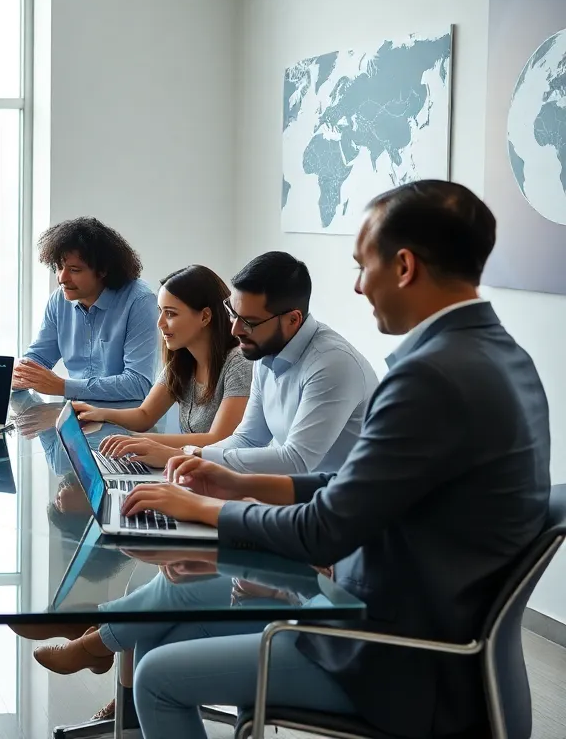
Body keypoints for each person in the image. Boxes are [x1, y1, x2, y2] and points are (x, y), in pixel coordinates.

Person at [119, 181, 549, 737]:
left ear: (404, 266)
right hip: (414, 621)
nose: (358, 285)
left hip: (392, 656)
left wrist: (205, 512)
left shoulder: (430, 377)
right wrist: (233, 484)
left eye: (362, 266)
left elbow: (323, 531)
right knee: (170, 620)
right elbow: (352, 486)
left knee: (156, 677)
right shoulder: (499, 355)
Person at [179, 251, 377, 474]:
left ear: (293, 320)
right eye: (233, 313)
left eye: (249, 322)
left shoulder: (333, 364)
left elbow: (297, 461)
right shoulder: (265, 348)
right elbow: (249, 439)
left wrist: (202, 456)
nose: (235, 330)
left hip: (345, 493)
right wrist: (192, 459)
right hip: (300, 490)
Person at [71, 264, 252, 468]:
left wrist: (137, 440)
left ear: (205, 316)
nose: (160, 323)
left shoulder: (238, 363)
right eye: (160, 312)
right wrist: (99, 413)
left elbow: (219, 439)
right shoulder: (182, 363)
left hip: (228, 475)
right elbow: (145, 415)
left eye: (171, 314)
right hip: (195, 471)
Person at [14, 216, 158, 402]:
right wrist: (13, 375)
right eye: (59, 267)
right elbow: (39, 357)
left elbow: (138, 384)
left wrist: (62, 387)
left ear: (103, 270)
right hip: (75, 413)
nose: (62, 278)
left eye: (74, 270)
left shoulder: (139, 300)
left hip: (126, 416)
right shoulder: (59, 299)